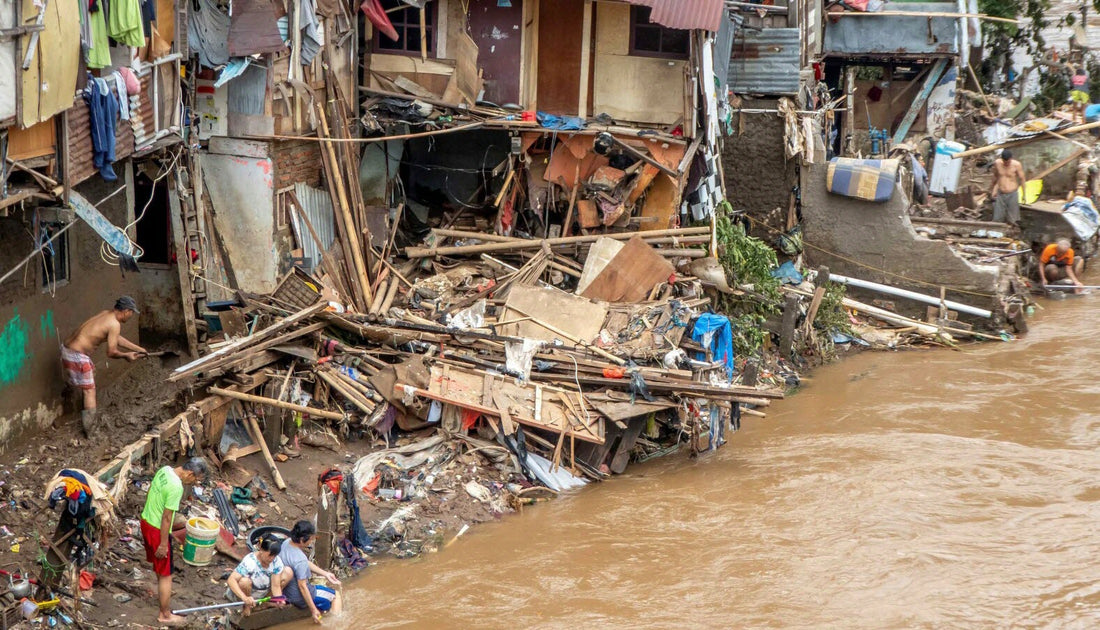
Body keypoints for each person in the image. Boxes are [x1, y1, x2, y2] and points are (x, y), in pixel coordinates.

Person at [62, 296, 147, 435]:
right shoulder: (115, 324)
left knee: (86, 379)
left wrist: (138, 349)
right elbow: (111, 352)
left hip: (67, 350)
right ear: (126, 311)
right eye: (132, 313)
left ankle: (70, 394)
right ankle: (90, 431)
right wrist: (126, 355)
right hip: (77, 355)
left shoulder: (106, 314)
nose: (131, 316)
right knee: (89, 391)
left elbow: (116, 338)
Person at [140, 458, 208, 627]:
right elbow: (167, 517)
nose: (192, 483)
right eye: (195, 479)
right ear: (190, 473)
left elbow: (150, 494)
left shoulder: (164, 470)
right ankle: (165, 614)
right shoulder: (176, 486)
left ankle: (163, 596)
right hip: (157, 529)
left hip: (146, 521)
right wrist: (164, 543)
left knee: (159, 567)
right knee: (166, 573)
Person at [278, 521, 342, 624]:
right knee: (335, 595)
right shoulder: (300, 559)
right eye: (311, 539)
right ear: (302, 540)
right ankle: (336, 623)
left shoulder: (287, 543)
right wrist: (313, 610)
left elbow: (303, 563)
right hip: (297, 597)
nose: (311, 542)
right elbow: (303, 586)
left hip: (286, 591)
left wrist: (325, 574)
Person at [226, 536, 291, 616]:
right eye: (269, 555)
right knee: (244, 582)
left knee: (288, 572)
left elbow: (276, 586)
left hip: (263, 591)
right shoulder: (250, 562)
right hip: (248, 592)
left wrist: (279, 599)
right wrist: (245, 598)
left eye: (274, 556)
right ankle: (247, 606)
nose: (271, 559)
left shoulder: (276, 562)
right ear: (261, 550)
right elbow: (231, 580)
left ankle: (264, 603)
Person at [990, 149, 1026, 226]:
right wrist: (992, 189)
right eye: (1004, 162)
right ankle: (996, 233)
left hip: (1012, 193)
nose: (1006, 163)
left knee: (1013, 218)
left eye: (1008, 162)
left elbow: (1022, 179)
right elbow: (995, 177)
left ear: (1011, 158)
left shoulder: (1017, 165)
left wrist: (1024, 195)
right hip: (1000, 193)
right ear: (1001, 159)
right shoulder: (997, 163)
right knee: (997, 217)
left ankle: (1012, 233)